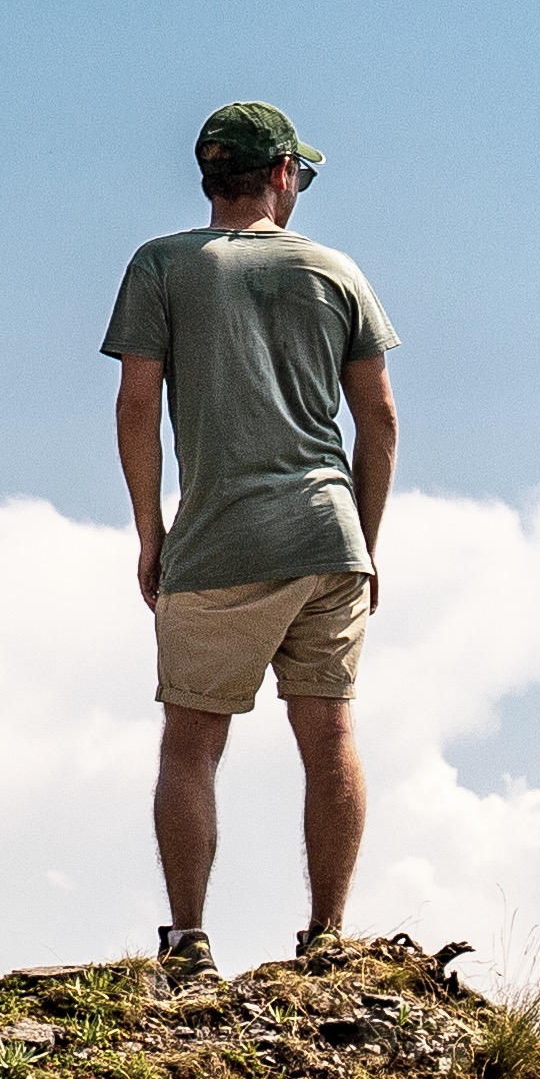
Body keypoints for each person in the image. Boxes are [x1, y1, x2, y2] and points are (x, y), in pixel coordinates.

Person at [102, 101, 401, 979]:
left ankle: (189, 939)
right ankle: (328, 937)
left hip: (219, 542)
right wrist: (365, 541)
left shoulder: (161, 266)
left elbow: (135, 406)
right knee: (329, 730)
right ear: (279, 175)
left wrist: (152, 534)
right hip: (327, 537)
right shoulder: (337, 271)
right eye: (298, 173)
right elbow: (378, 420)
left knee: (191, 741)